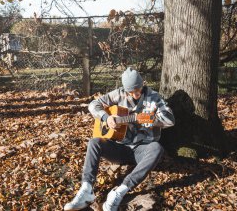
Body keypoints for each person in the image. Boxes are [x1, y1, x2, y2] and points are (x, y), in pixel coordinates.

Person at [64, 67, 175, 211]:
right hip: (120, 149)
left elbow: (170, 119)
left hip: (142, 151)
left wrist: (150, 119)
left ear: (143, 84)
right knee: (94, 142)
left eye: (138, 89)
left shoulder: (154, 97)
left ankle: (120, 191)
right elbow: (93, 105)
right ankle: (86, 190)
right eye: (131, 91)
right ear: (125, 89)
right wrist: (106, 117)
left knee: (157, 148)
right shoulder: (118, 94)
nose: (135, 94)